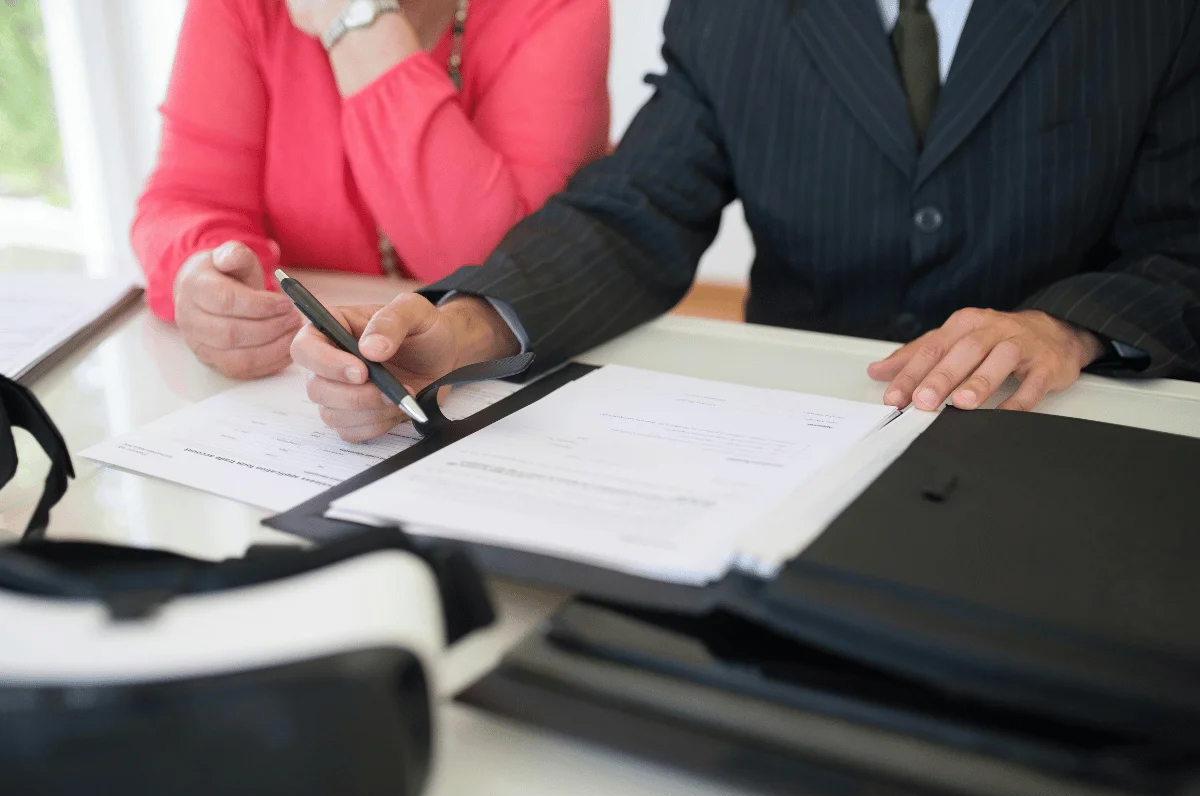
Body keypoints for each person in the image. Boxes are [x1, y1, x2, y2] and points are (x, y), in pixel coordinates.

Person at [294, 0, 1200, 442]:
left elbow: (1184, 244)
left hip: (1063, 427)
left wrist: (1068, 326)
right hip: (796, 438)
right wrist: (465, 325)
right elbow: (634, 207)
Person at [133, 0, 610, 379]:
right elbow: (187, 200)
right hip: (294, 388)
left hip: (494, 381)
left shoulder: (557, 8)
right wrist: (204, 278)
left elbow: (503, 269)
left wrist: (359, 22)